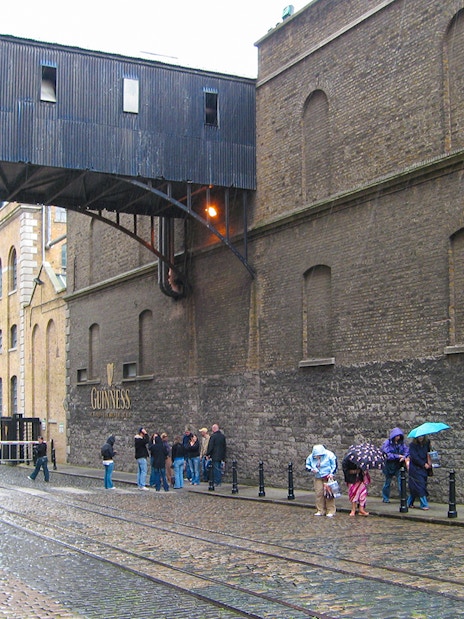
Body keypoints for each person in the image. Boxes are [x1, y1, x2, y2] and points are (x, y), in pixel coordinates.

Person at [305, 444, 337, 517]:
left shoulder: (330, 455)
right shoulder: (311, 457)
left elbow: (334, 465)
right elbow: (307, 465)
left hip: (327, 477)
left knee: (329, 494)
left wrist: (332, 473)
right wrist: (311, 469)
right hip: (318, 477)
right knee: (319, 493)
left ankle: (331, 511)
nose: (318, 457)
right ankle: (320, 510)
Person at [381, 427, 409, 503]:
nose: (398, 438)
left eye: (399, 436)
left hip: (398, 465)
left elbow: (407, 451)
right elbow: (386, 454)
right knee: (387, 482)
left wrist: (404, 456)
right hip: (388, 466)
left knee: (401, 482)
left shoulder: (401, 444)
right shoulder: (387, 443)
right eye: (396, 436)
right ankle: (385, 498)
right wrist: (397, 456)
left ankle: (403, 498)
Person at [408, 435, 432, 509]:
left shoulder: (427, 443)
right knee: (420, 486)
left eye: (422, 436)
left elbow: (429, 453)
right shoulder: (412, 445)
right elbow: (414, 457)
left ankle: (408, 503)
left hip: (424, 469)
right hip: (415, 469)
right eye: (419, 436)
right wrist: (423, 464)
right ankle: (424, 504)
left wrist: (430, 462)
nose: (420, 438)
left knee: (417, 487)